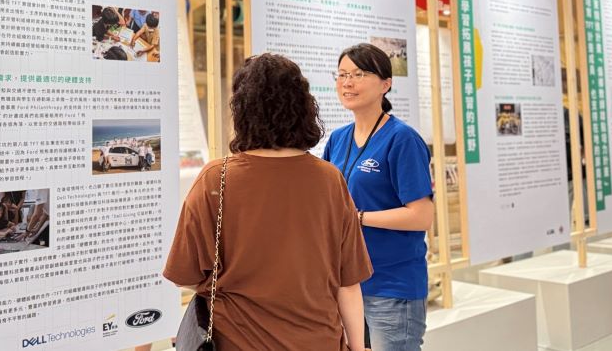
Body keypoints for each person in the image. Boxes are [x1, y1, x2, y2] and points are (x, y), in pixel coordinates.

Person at [164, 53, 370, 350]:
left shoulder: (216, 179)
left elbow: (183, 275)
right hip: (318, 340)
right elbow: (348, 283)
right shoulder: (330, 180)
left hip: (237, 342)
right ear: (304, 108)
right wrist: (358, 347)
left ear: (242, 110)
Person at [322, 43, 434, 351]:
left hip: (392, 286)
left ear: (386, 84)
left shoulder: (402, 139)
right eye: (342, 74)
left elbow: (422, 216)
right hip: (347, 284)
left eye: (358, 74)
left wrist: (357, 218)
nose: (347, 82)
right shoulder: (337, 139)